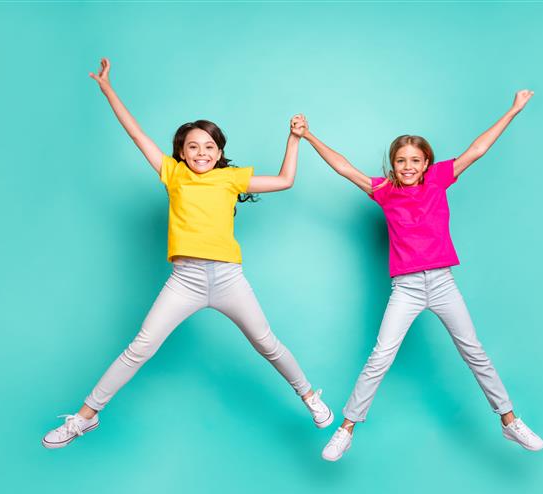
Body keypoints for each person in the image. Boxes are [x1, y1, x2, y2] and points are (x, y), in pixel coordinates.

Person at [42, 58, 332, 449]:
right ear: (181, 151)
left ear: (219, 151)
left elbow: (285, 180)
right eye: (192, 146)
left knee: (267, 343)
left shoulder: (231, 178)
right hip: (185, 281)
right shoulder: (173, 174)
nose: (201, 152)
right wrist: (108, 89)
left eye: (209, 146)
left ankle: (309, 396)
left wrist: (294, 138)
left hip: (228, 279)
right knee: (139, 348)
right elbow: (136, 134)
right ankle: (84, 417)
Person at [301, 90, 543, 461]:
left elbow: (477, 150)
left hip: (443, 283)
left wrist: (513, 110)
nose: (408, 166)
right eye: (401, 160)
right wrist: (308, 135)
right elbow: (345, 168)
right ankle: (346, 429)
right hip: (407, 288)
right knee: (380, 357)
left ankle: (510, 422)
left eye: (415, 160)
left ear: (426, 162)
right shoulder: (384, 191)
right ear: (393, 164)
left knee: (474, 352)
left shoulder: (438, 179)